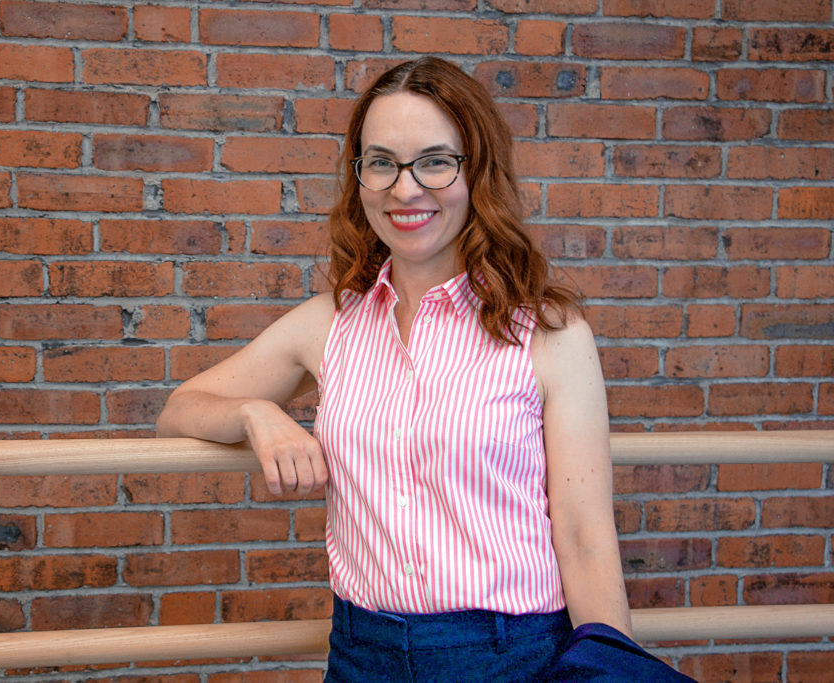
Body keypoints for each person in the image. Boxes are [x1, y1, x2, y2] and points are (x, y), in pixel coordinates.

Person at [158, 57, 684, 682]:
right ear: (359, 178)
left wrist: (609, 672)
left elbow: (584, 536)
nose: (405, 190)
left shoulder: (548, 334)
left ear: (476, 171)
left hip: (510, 657)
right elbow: (179, 410)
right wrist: (255, 412)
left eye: (435, 161)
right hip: (362, 655)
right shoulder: (330, 324)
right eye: (381, 162)